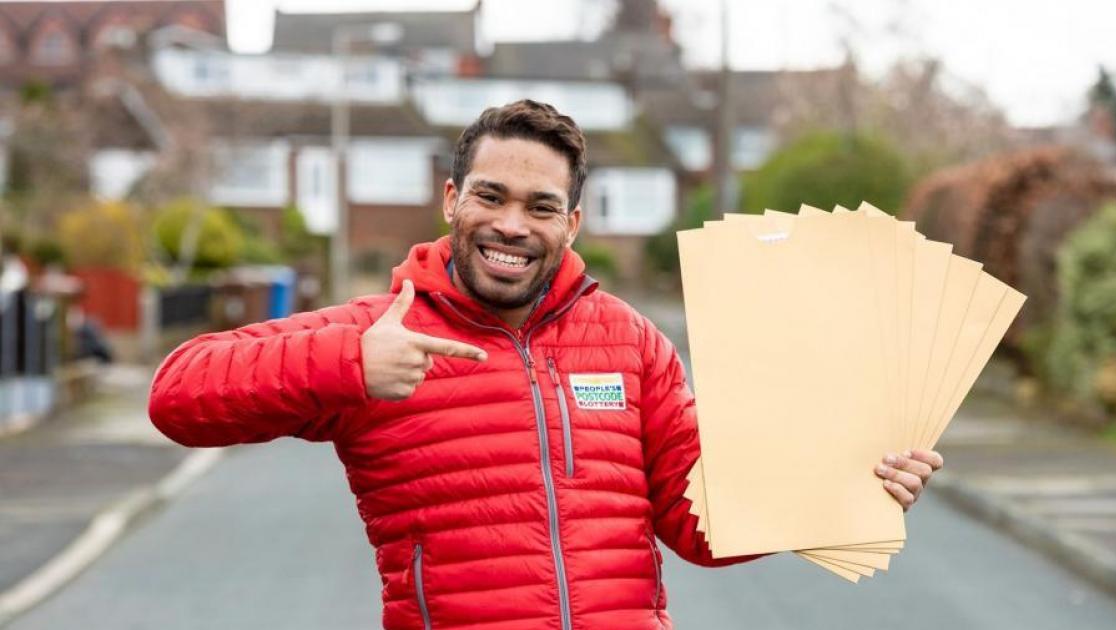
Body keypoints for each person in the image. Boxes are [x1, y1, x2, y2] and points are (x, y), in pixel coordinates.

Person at [149, 99, 943, 630]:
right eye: (490, 197)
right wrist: (350, 362)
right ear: (452, 199)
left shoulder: (631, 342)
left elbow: (699, 526)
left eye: (539, 207)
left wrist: (845, 486)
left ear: (573, 220)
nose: (510, 225)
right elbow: (177, 395)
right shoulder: (382, 333)